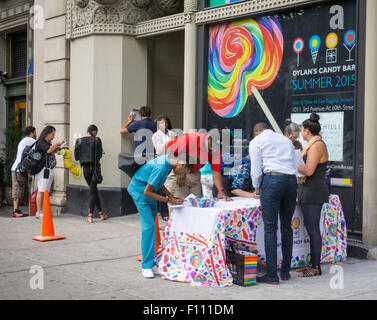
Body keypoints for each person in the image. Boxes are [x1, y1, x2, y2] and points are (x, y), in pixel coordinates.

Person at [127, 154, 191, 279]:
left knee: (153, 230)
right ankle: (146, 266)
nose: (180, 176)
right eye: (182, 173)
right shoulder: (161, 167)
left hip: (148, 193)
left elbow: (158, 182)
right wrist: (168, 200)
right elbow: (147, 191)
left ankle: (152, 262)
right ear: (181, 164)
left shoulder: (167, 162)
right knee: (149, 228)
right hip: (140, 192)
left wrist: (170, 196)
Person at [249, 122, 298, 285]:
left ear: (257, 132)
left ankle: (271, 275)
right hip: (291, 181)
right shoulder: (285, 140)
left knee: (270, 227)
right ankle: (285, 272)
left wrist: (257, 189)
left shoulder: (257, 141)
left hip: (272, 180)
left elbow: (256, 168)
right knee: (286, 226)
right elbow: (294, 164)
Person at [297, 113, 329, 277]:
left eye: (301, 129)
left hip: (313, 191)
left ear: (307, 130)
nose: (301, 132)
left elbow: (308, 170)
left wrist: (294, 163)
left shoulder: (316, 145)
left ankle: (315, 267)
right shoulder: (312, 144)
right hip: (308, 191)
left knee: (313, 229)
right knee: (310, 229)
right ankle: (312, 263)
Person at [164, 132, 232, 201]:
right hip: (177, 173)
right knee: (179, 206)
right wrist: (178, 171)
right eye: (212, 147)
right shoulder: (191, 139)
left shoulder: (215, 150)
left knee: (197, 205)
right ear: (208, 139)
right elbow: (168, 147)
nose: (213, 150)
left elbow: (216, 171)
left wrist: (220, 190)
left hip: (194, 173)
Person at [74, 125, 108, 223]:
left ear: (87, 131)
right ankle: (90, 215)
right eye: (96, 132)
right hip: (95, 168)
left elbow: (76, 157)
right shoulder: (97, 140)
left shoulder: (79, 141)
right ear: (94, 131)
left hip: (85, 169)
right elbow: (99, 155)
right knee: (93, 191)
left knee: (93, 190)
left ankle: (101, 214)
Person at [35, 126, 64, 220]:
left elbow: (52, 151)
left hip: (48, 169)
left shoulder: (47, 143)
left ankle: (44, 210)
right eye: (53, 134)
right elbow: (49, 150)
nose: (53, 136)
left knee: (46, 191)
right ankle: (39, 211)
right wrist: (56, 144)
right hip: (43, 170)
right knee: (41, 190)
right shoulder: (41, 142)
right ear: (47, 133)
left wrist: (59, 148)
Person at [152, 116, 175, 221]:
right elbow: (159, 149)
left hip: (172, 159)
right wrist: (170, 143)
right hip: (161, 160)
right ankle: (164, 212)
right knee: (162, 185)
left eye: (166, 122)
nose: (164, 124)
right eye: (161, 123)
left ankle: (172, 209)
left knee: (170, 184)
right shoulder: (156, 135)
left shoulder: (172, 133)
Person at [11, 126, 37, 217]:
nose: (36, 134)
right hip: (19, 169)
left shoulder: (23, 140)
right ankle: (15, 210)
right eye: (35, 132)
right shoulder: (31, 140)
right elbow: (40, 146)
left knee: (19, 189)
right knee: (18, 189)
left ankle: (17, 210)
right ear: (32, 133)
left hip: (17, 168)